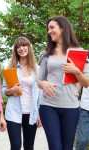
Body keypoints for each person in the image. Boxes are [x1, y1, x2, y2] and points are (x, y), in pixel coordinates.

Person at [38, 16, 89, 150]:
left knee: (67, 147)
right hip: (48, 105)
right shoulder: (46, 53)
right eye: (48, 28)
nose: (49, 31)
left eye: (52, 27)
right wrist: (43, 84)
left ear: (63, 28)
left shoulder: (79, 52)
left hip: (70, 107)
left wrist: (76, 71)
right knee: (55, 147)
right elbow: (39, 79)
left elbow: (86, 83)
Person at [2, 36, 42, 150]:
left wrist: (39, 113)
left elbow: (41, 94)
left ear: (29, 48)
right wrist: (10, 91)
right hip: (14, 112)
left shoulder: (37, 69)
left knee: (29, 146)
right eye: (18, 46)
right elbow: (3, 89)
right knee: (15, 145)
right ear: (15, 50)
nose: (21, 48)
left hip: (31, 113)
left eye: (24, 45)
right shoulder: (11, 68)